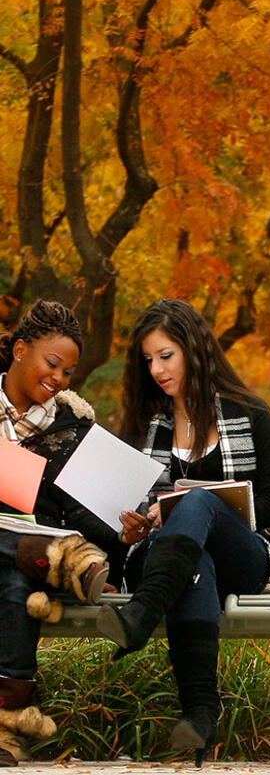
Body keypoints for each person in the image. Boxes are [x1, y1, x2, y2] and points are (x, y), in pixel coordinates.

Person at [99, 299, 270, 765]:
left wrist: (206, 506)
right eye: (148, 360)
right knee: (192, 561)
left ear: (194, 349)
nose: (157, 369)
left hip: (241, 554)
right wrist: (136, 524)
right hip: (169, 556)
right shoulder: (146, 425)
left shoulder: (250, 413)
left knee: (199, 501)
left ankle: (140, 615)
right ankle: (201, 711)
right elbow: (125, 510)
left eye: (166, 355)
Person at [0, 300, 126, 766]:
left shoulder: (73, 429)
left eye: (68, 372)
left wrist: (126, 533)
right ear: (18, 351)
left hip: (23, 570)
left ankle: (7, 732)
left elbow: (89, 512)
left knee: (14, 584)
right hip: (48, 562)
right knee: (20, 572)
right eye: (52, 364)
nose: (59, 379)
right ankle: (57, 556)